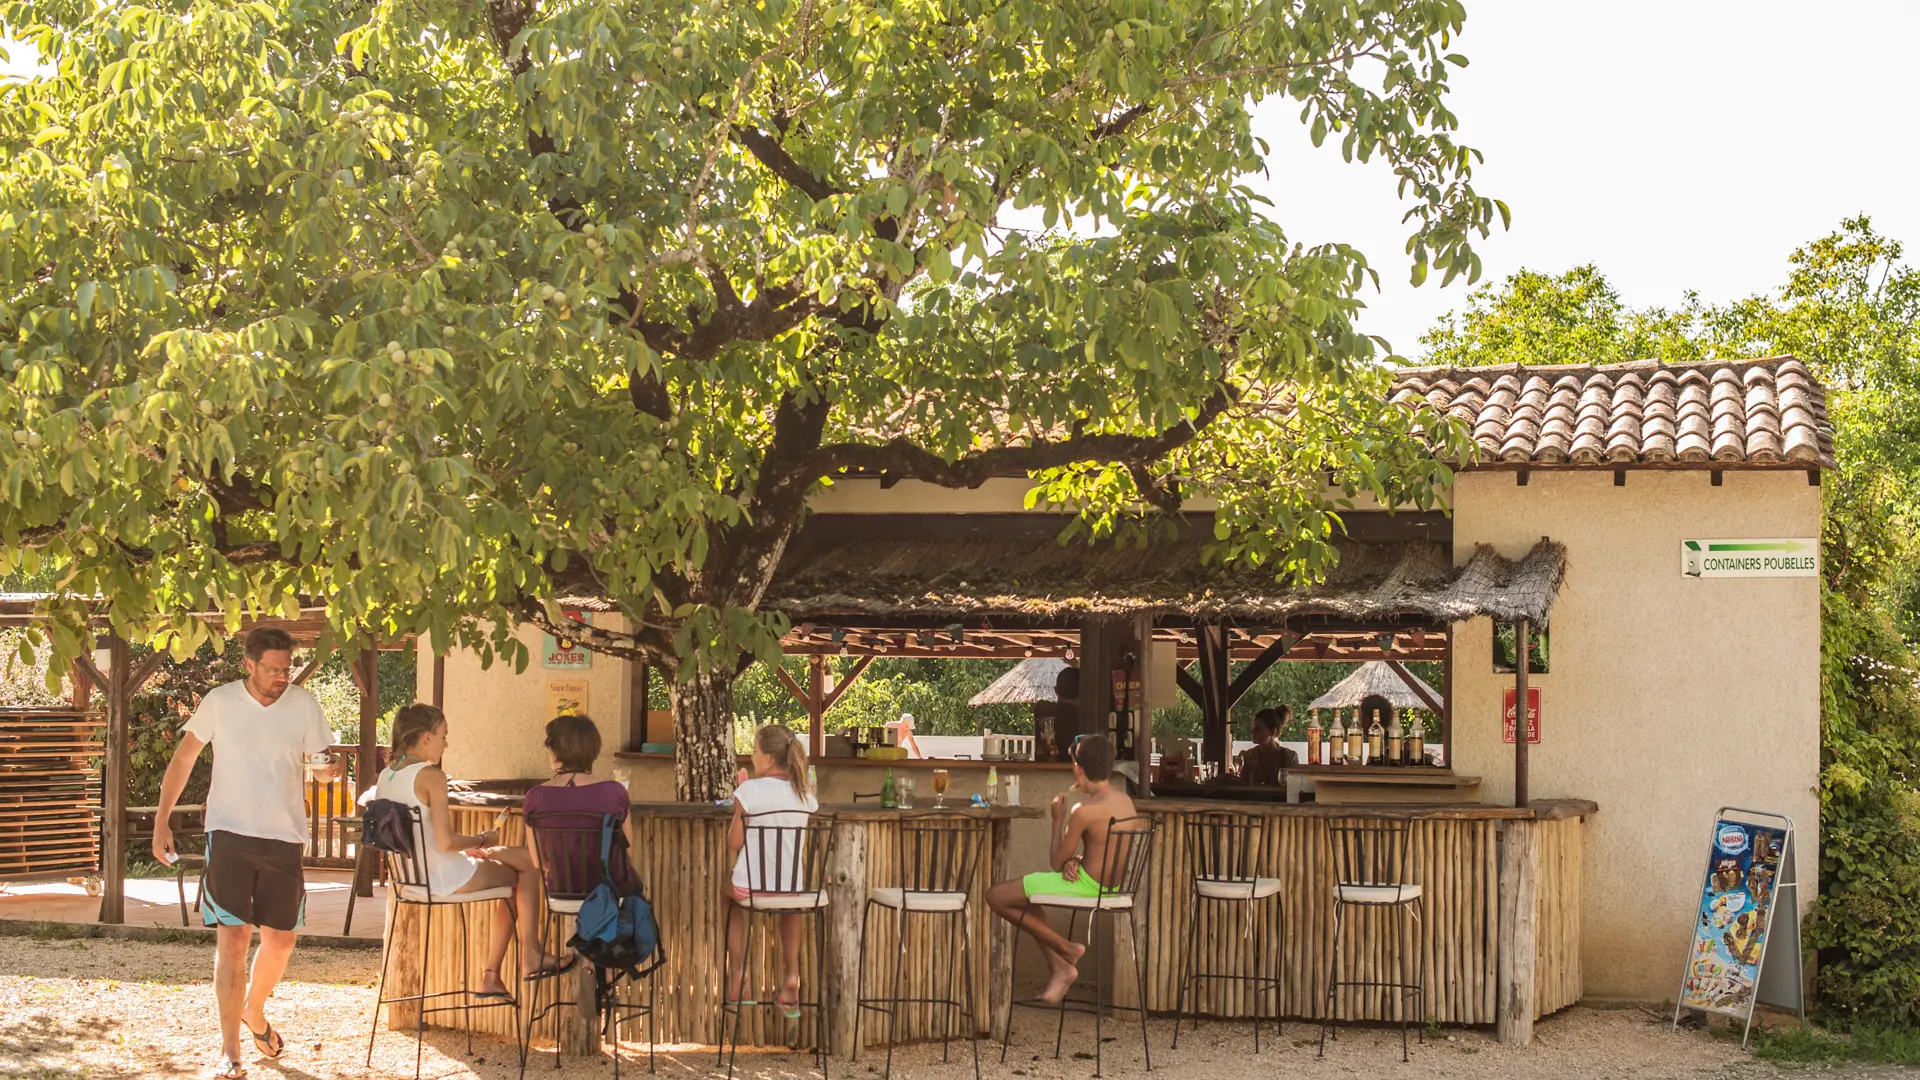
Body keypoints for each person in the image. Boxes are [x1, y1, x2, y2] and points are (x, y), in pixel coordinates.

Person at [152, 626, 342, 1078]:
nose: (282, 676)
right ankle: (230, 1052)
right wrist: (162, 819)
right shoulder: (219, 701)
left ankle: (253, 1011)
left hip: (285, 838)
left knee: (281, 940)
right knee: (233, 940)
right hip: (230, 833)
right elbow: (183, 759)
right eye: (273, 669)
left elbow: (322, 769)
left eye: (287, 668)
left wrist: (330, 771)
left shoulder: (303, 704)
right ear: (249, 666)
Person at [375, 704, 573, 1001]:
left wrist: (476, 848)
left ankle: (494, 976)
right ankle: (524, 958)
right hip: (445, 876)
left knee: (517, 871)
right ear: (427, 737)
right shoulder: (431, 776)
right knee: (530, 866)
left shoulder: (386, 776)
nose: (446, 743)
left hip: (410, 880)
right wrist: (482, 840)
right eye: (443, 735)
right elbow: (445, 843)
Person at [986, 734, 1137, 1004]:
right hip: (1113, 888)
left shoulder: (1083, 810)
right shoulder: (1126, 802)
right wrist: (1077, 860)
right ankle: (1060, 967)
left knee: (996, 895)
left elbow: (1055, 862)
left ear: (1078, 769)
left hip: (1088, 886)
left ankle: (1065, 948)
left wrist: (1057, 819)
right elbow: (1103, 850)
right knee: (1026, 897)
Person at [723, 724, 818, 1017]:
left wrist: (740, 804)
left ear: (765, 759)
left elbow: (734, 843)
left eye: (753, 751)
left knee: (727, 894)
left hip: (749, 888)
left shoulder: (749, 789)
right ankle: (791, 976)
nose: (751, 757)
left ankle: (738, 971)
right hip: (790, 889)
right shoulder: (804, 794)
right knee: (791, 904)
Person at [522, 713, 644, 897]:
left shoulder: (535, 796)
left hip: (560, 891)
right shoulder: (614, 792)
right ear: (592, 751)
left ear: (554, 752)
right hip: (610, 891)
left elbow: (538, 861)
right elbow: (628, 852)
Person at [1236, 706, 1300, 786]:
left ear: (1272, 732)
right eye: (1253, 727)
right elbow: (1244, 789)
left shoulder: (1289, 757)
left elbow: (1293, 787)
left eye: (1258, 729)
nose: (1252, 731)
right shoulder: (1249, 756)